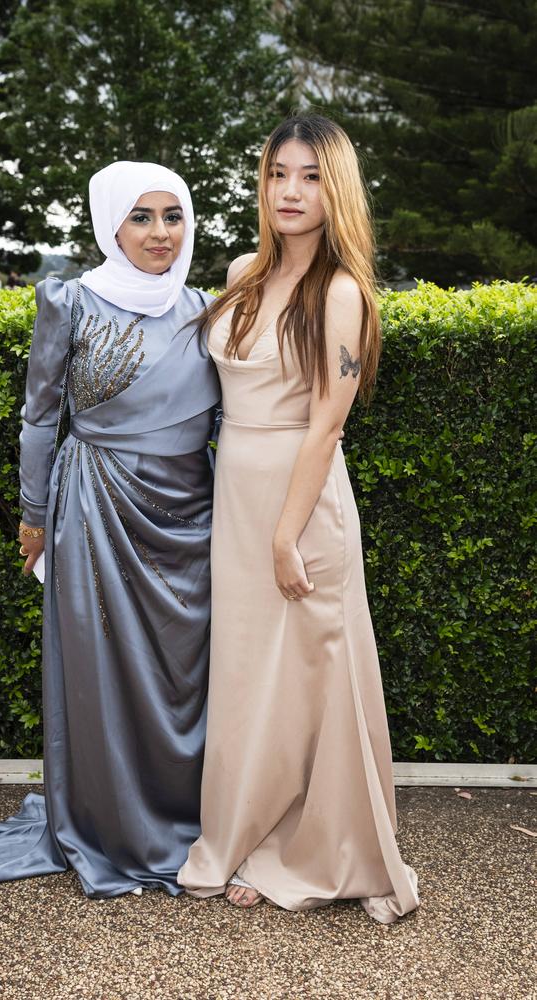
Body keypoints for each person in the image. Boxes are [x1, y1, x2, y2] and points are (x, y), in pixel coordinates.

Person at [0, 161, 220, 898]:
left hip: (192, 517)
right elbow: (41, 418)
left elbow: (238, 417)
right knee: (102, 673)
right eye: (141, 217)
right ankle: (110, 824)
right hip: (96, 508)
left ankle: (198, 819)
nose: (161, 233)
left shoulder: (210, 307)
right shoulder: (70, 301)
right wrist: (34, 515)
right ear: (109, 223)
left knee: (187, 675)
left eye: (173, 215)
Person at [178, 114, 420, 924]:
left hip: (300, 503)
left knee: (311, 679)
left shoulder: (342, 292)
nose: (290, 191)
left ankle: (311, 849)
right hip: (235, 494)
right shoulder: (244, 270)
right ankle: (247, 828)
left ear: (336, 189)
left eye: (311, 176)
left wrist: (286, 533)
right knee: (249, 681)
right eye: (279, 173)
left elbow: (325, 424)